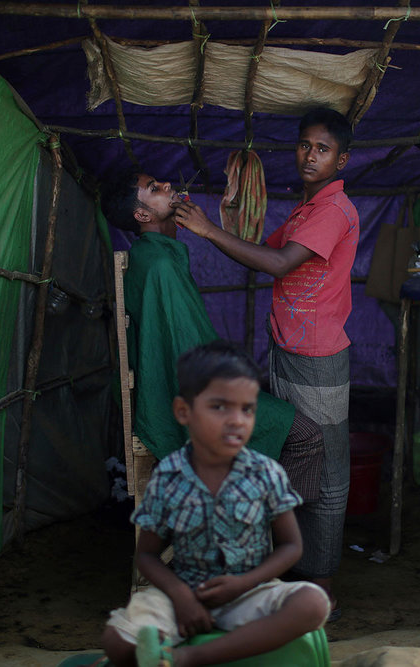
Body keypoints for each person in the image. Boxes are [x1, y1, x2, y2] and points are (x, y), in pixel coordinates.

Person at [172, 107, 359, 613]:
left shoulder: (333, 211)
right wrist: (219, 223)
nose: (310, 156)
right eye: (305, 146)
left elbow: (277, 264)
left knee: (326, 472)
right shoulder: (305, 210)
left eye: (322, 149)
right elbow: (263, 252)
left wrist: (209, 231)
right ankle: (291, 570)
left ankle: (321, 586)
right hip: (287, 348)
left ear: (341, 160)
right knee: (294, 453)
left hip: (317, 357)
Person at [101, 341, 330, 667]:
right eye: (220, 407)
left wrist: (244, 583)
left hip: (250, 591)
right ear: (184, 412)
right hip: (182, 590)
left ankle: (187, 657)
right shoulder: (168, 476)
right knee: (116, 640)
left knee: (312, 603)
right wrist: (181, 597)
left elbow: (291, 547)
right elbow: (148, 555)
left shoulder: (266, 473)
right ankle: (159, 647)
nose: (237, 420)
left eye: (247, 409)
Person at [101, 172, 324, 504]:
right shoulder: (161, 264)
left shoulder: (156, 255)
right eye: (154, 189)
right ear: (142, 215)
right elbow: (185, 350)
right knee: (308, 437)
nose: (166, 185)